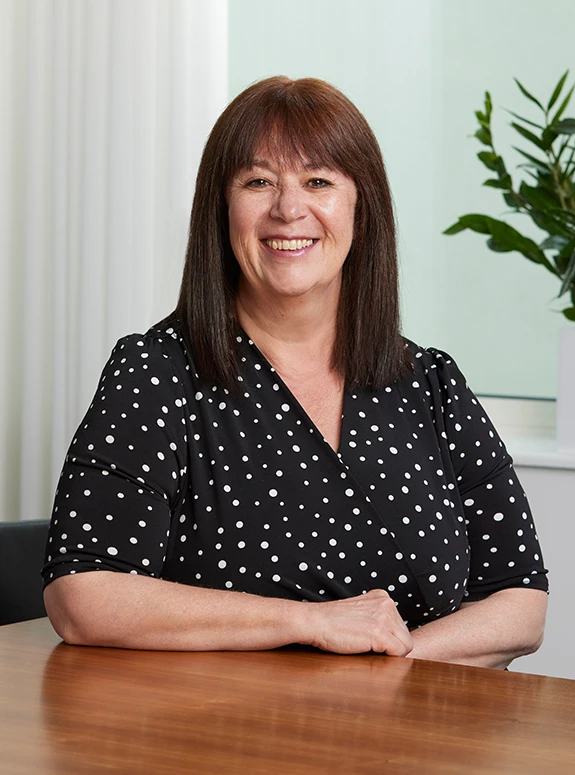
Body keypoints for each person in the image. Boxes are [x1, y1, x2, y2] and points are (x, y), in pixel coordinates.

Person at [43, 77, 548, 667]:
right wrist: (312, 624)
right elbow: (83, 594)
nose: (288, 209)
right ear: (221, 208)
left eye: (318, 181)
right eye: (258, 182)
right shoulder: (157, 373)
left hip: (411, 743)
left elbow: (520, 601)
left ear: (362, 209)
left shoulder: (429, 381)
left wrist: (383, 674)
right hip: (221, 743)